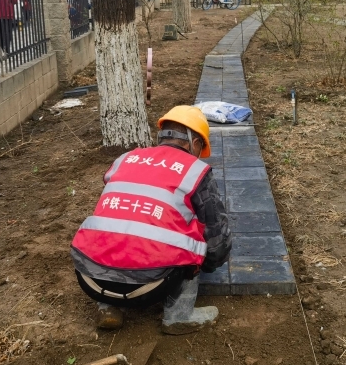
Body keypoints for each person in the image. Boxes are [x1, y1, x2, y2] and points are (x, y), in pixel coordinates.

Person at [70, 106, 232, 335]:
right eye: (200, 148)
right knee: (195, 236)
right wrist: (211, 263)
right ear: (195, 143)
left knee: (114, 226)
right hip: (151, 286)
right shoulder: (195, 171)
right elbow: (215, 232)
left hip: (91, 279)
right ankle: (179, 316)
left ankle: (108, 307)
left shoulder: (124, 159)